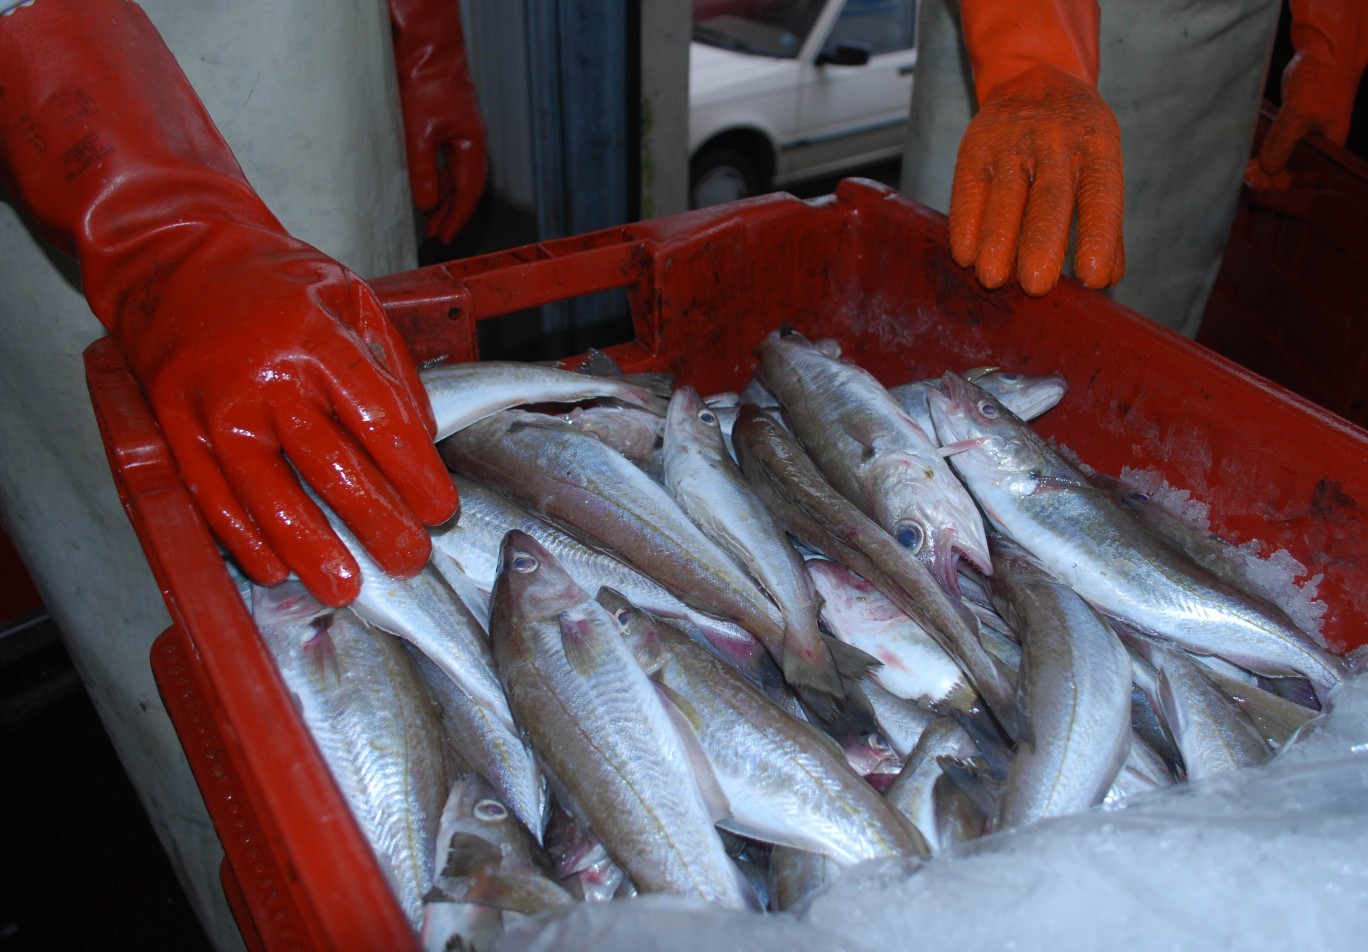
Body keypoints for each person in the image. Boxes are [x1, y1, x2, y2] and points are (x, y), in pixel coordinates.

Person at [0, 0, 486, 947]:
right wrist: (160, 236)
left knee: (381, 455)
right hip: (51, 127)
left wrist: (425, 30)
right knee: (201, 660)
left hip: (313, 52)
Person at [901, 0, 1368, 337]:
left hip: (1207, 47)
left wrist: (1331, 38)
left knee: (1142, 330)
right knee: (938, 307)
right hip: (991, 24)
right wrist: (1029, 58)